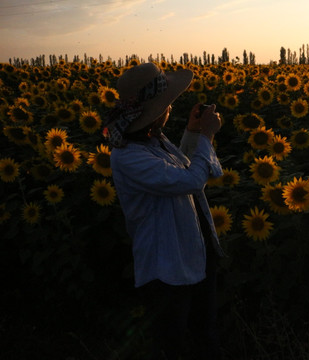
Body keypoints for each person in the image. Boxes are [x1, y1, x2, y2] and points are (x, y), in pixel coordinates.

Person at [105, 62, 225, 360]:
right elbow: (190, 180)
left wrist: (193, 132)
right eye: (166, 104)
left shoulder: (156, 141)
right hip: (166, 264)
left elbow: (184, 169)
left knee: (204, 333)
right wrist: (207, 137)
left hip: (194, 249)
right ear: (154, 112)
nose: (170, 108)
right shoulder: (128, 157)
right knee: (174, 345)